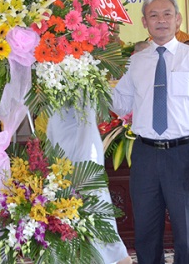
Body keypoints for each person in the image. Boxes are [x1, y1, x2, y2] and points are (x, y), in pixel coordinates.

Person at [111, 0, 189, 263]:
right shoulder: (136, 62)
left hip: (183, 155)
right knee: (146, 233)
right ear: (144, 22)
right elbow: (120, 103)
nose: (161, 20)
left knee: (187, 233)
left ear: (178, 20)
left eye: (167, 15)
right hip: (145, 154)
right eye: (153, 15)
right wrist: (89, 80)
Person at [44, 108, 132, 264]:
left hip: (83, 141)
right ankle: (69, 251)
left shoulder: (82, 84)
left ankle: (115, 256)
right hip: (58, 137)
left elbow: (87, 115)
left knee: (94, 201)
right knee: (59, 197)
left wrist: (85, 155)